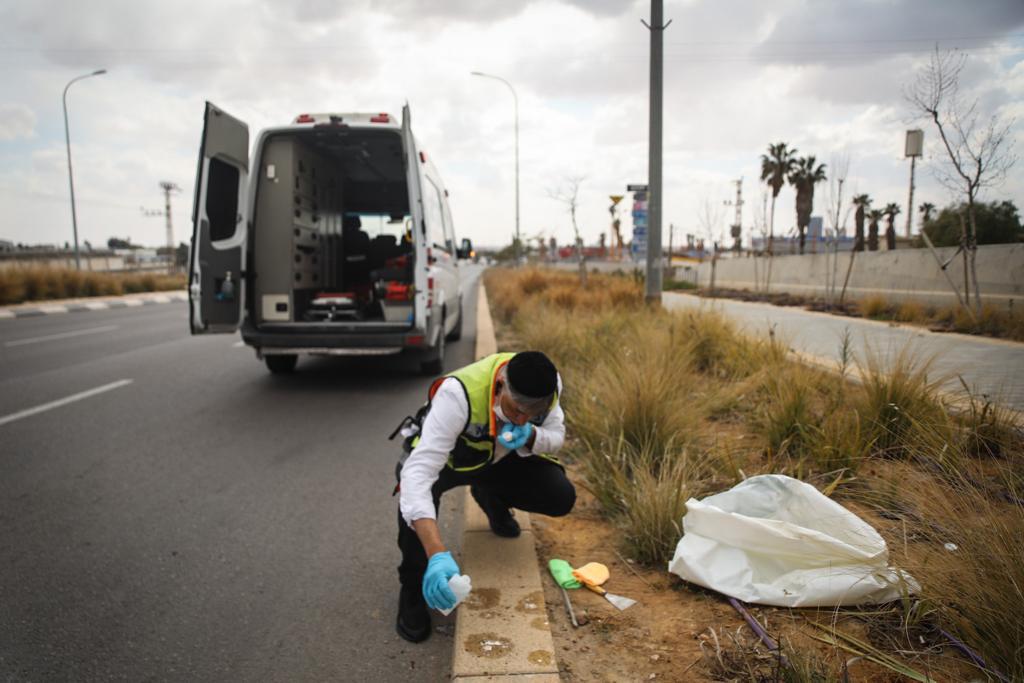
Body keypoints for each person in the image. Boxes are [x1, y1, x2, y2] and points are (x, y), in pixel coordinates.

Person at [394, 351, 575, 643]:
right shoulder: (457, 395)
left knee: (559, 495)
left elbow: (556, 436)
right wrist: (437, 553)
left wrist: (529, 435)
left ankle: (491, 496)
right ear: (501, 383)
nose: (524, 417)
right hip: (452, 462)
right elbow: (418, 476)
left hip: (498, 461)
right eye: (517, 410)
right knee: (413, 497)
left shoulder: (549, 387)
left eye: (534, 412)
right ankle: (413, 586)